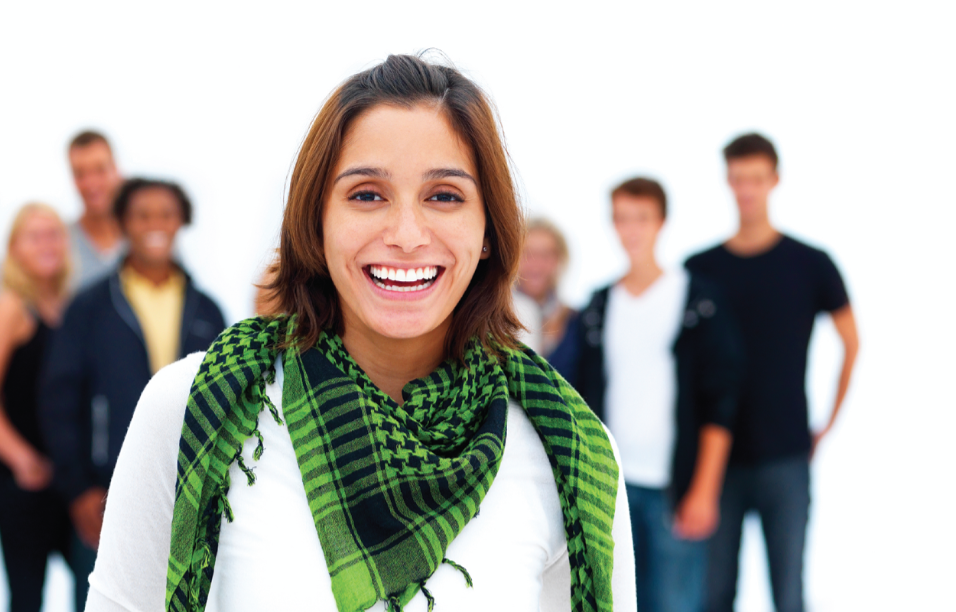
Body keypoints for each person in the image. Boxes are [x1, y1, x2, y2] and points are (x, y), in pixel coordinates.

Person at [84, 54, 635, 612]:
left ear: (489, 230)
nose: (406, 233)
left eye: (444, 195)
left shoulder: (568, 450)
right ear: (316, 222)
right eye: (367, 194)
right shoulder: (193, 408)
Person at [686, 133, 859, 612]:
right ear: (728, 180)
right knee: (712, 595)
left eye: (756, 179)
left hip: (786, 455)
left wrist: (830, 421)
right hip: (716, 460)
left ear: (774, 180)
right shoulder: (701, 269)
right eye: (739, 178)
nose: (747, 189)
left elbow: (851, 342)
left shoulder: (810, 264)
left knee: (789, 594)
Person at [39, 178, 227, 595]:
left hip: (190, 492)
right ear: (123, 222)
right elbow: (59, 401)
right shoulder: (89, 307)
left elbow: (228, 402)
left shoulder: (208, 311)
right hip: (105, 494)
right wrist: (79, 489)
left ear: (181, 221)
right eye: (142, 215)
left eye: (165, 214)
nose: (154, 224)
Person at [572, 178, 743, 612]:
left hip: (675, 488)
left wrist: (704, 490)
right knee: (617, 602)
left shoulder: (697, 301)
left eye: (641, 218)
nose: (631, 230)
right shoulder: (598, 305)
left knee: (675, 603)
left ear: (661, 222)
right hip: (613, 491)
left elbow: (720, 402)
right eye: (622, 218)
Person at [0, 203, 82, 612]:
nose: (47, 243)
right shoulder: (8, 309)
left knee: (93, 588)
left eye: (54, 233)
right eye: (35, 236)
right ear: (14, 248)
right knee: (27, 599)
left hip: (69, 480)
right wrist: (22, 459)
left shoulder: (73, 307)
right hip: (24, 484)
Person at [513, 217, 579, 376]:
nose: (536, 264)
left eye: (546, 254)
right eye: (527, 253)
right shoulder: (491, 317)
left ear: (560, 260)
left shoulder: (576, 322)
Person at [67, 130, 126, 287]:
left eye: (100, 170)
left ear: (117, 170)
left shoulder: (144, 236)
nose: (91, 184)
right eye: (80, 174)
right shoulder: (59, 243)